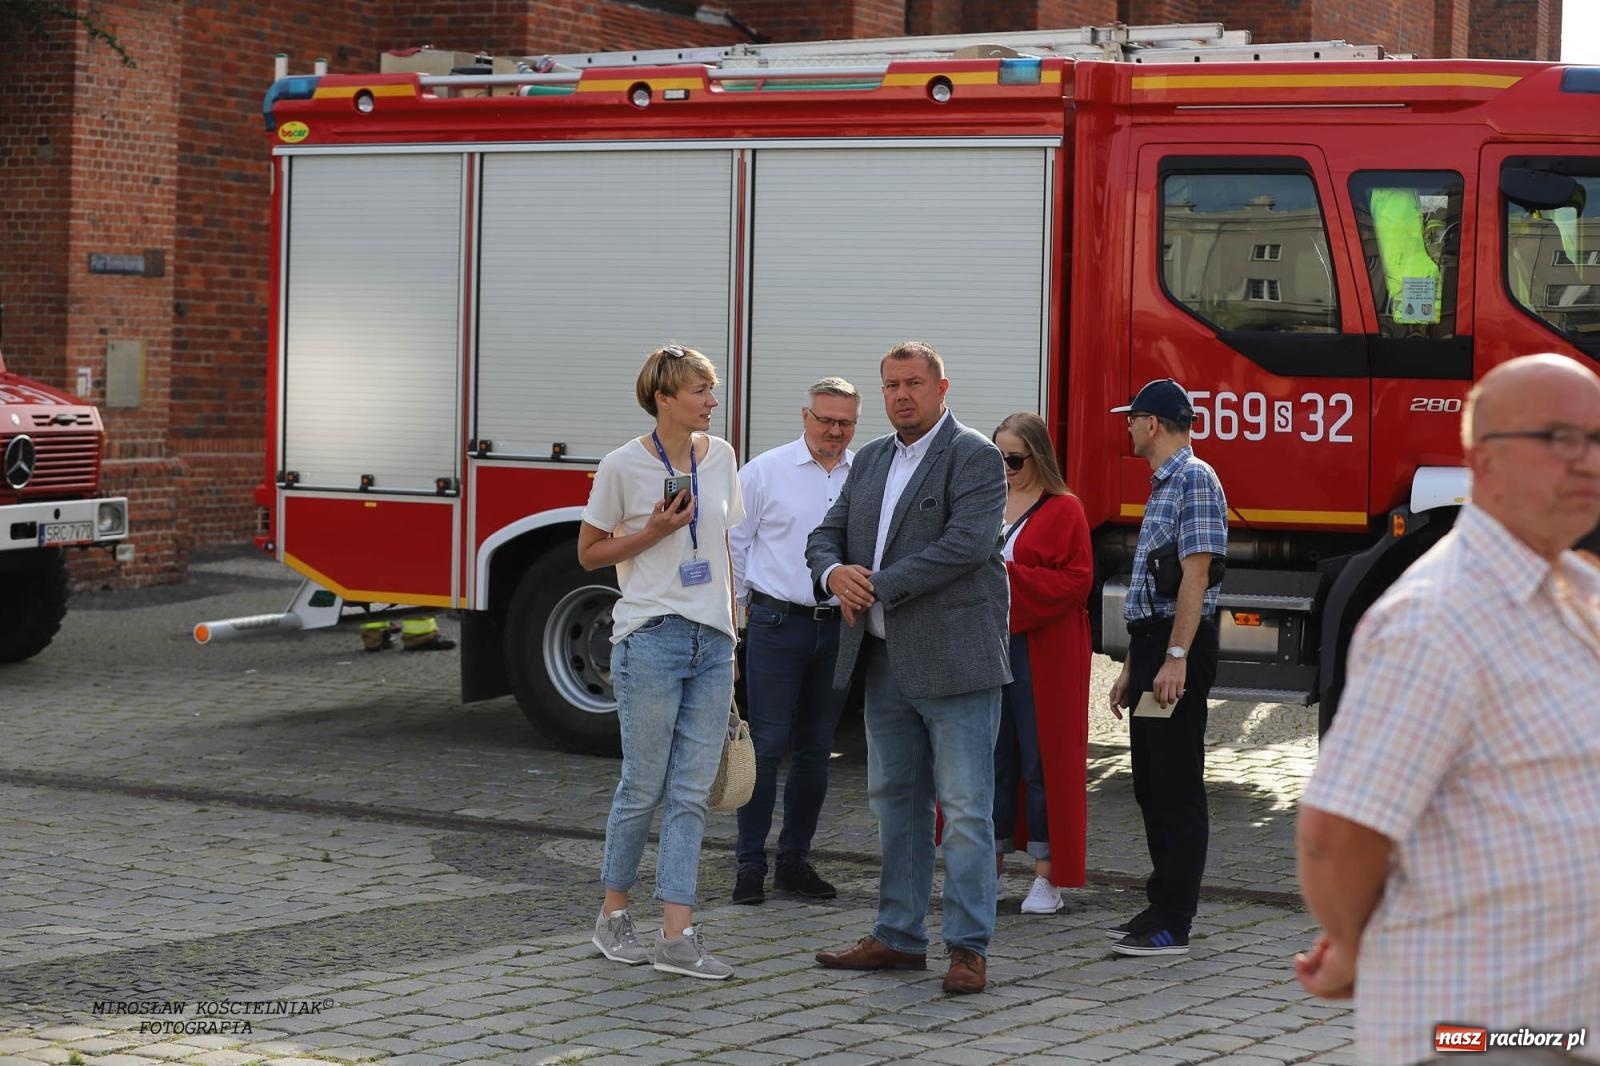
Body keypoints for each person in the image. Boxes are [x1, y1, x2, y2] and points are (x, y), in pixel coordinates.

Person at [1295, 353, 1600, 1065]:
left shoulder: (1578, 591)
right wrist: (1354, 943)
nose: (1587, 460)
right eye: (1559, 439)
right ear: (1483, 461)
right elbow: (1336, 834)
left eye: (1598, 439)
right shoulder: (1435, 618)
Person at [807, 340, 1009, 995]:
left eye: (914, 383)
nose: (901, 395)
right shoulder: (870, 458)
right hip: (883, 661)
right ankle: (897, 937)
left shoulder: (974, 455)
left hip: (957, 663)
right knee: (896, 803)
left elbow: (967, 545)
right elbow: (825, 535)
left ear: (941, 388)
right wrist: (833, 573)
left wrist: (876, 585)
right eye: (892, 385)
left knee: (966, 812)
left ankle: (969, 948)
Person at [577, 343, 745, 981]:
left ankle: (677, 936)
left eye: (712, 388)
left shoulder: (721, 455)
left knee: (691, 793)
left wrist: (732, 634)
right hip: (650, 637)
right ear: (663, 398)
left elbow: (722, 547)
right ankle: (613, 915)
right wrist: (651, 532)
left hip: (712, 641)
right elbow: (589, 553)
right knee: (643, 786)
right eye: (701, 390)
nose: (712, 400)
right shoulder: (621, 465)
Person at [1106, 378, 1228, 957]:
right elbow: (1154, 588)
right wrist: (1135, 665)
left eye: (1132, 419)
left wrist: (1175, 656)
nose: (1128, 427)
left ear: (1151, 423)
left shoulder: (1195, 479)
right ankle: (1160, 904)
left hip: (1176, 649)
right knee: (1152, 784)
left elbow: (1196, 576)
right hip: (1154, 646)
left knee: (1176, 785)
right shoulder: (1165, 482)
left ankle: (1174, 921)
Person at [728, 377, 860, 906]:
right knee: (765, 746)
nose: (835, 431)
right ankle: (749, 864)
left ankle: (794, 862)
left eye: (845, 423)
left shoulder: (865, 473)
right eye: (825, 420)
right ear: (804, 416)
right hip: (777, 624)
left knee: (816, 750)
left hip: (839, 626)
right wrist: (733, 626)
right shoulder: (764, 471)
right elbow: (734, 547)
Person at [990, 412, 1092, 916]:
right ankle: (986, 869)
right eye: (997, 459)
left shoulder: (1064, 508)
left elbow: (1076, 581)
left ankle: (1046, 876)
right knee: (990, 758)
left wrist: (1005, 577)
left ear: (1038, 457)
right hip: (989, 646)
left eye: (1014, 459)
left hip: (1044, 651)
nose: (1005, 469)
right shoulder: (986, 503)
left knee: (1040, 758)